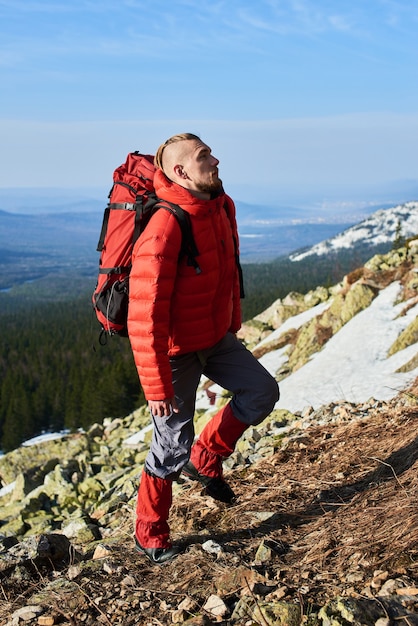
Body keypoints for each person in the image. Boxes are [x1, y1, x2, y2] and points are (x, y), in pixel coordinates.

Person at [127, 133, 280, 564]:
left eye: (210, 152)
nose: (216, 160)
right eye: (204, 157)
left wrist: (230, 325)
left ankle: (207, 457)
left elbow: (228, 271)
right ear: (180, 172)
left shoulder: (219, 206)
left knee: (262, 391)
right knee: (170, 446)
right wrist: (158, 388)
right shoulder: (165, 226)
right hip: (176, 353)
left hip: (214, 338)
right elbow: (144, 316)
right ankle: (149, 531)